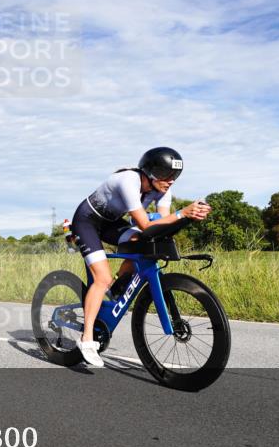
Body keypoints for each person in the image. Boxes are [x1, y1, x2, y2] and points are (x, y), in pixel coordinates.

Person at [69, 147, 211, 368]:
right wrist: (183, 212)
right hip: (87, 221)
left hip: (112, 224)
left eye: (175, 176)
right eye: (167, 175)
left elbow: (161, 226)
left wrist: (190, 217)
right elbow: (145, 224)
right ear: (151, 172)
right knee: (102, 278)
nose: (171, 181)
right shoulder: (129, 181)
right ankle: (87, 339)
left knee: (143, 243)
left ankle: (117, 288)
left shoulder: (163, 191)